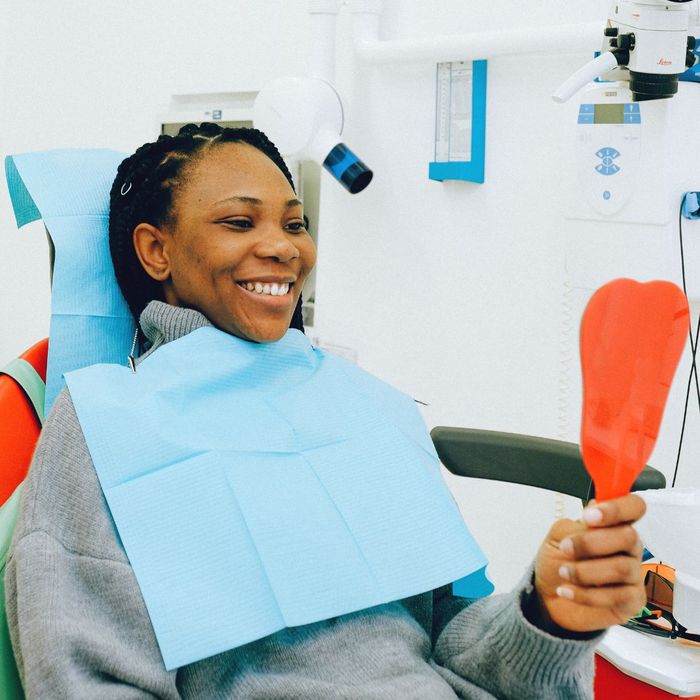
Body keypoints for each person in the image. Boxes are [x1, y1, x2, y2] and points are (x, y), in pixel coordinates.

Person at [5, 123, 646, 699]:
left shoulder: (366, 405)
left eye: (294, 223)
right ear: (157, 251)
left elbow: (459, 645)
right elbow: (85, 677)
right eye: (239, 222)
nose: (284, 248)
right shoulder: (105, 425)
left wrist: (548, 613)